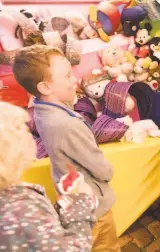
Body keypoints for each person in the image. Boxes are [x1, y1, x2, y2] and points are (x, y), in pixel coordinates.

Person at [13, 45, 120, 252]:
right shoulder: (68, 126)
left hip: (71, 194)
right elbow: (101, 169)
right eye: (68, 75)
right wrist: (109, 171)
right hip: (93, 204)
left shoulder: (43, 110)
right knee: (107, 246)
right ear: (45, 87)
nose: (74, 80)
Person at [0, 101, 97, 251]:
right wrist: (79, 202)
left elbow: (36, 237)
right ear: (11, 148)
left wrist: (61, 207)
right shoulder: (19, 209)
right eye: (24, 130)